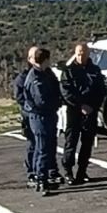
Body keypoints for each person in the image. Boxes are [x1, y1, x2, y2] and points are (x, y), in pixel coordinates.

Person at [59, 42, 107, 185]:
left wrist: (93, 106)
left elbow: (101, 90)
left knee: (87, 143)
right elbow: (66, 92)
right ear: (75, 53)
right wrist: (80, 106)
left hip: (91, 112)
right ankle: (68, 171)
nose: (81, 55)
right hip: (74, 112)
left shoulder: (95, 70)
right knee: (71, 142)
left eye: (84, 53)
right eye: (79, 53)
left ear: (88, 53)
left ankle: (82, 171)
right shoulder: (68, 71)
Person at [20, 46, 64, 194]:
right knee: (42, 148)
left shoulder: (46, 74)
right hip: (40, 117)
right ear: (44, 60)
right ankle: (41, 178)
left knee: (49, 146)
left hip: (49, 115)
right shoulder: (35, 78)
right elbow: (41, 101)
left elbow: (56, 88)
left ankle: (46, 176)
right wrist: (56, 103)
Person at [13, 49, 38, 185]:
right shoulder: (23, 78)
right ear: (29, 59)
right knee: (32, 144)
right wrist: (32, 109)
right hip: (29, 116)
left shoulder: (45, 74)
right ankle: (31, 172)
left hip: (42, 116)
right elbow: (20, 98)